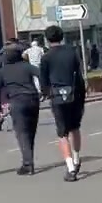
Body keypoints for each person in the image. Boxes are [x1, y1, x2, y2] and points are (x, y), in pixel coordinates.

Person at [39, 25, 87, 180]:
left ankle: (70, 168)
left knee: (62, 132)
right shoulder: (72, 52)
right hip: (75, 94)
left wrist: (47, 94)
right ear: (62, 36)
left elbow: (43, 81)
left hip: (57, 97)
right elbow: (79, 75)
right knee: (75, 128)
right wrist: (82, 94)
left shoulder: (46, 57)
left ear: (47, 39)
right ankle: (77, 158)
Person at [0, 45, 40, 175]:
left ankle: (28, 164)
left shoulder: (2, 71)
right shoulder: (27, 67)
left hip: (17, 101)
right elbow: (41, 74)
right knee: (31, 132)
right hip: (33, 99)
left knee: (22, 133)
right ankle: (28, 160)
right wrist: (45, 90)